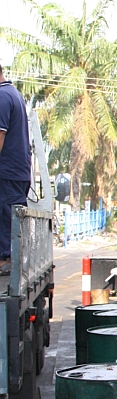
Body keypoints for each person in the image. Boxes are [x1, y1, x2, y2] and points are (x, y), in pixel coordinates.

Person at [0, 64, 31, 275]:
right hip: (17, 171)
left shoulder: (2, 97)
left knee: (4, 218)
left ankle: (5, 261)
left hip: (7, 172)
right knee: (11, 218)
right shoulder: (14, 94)